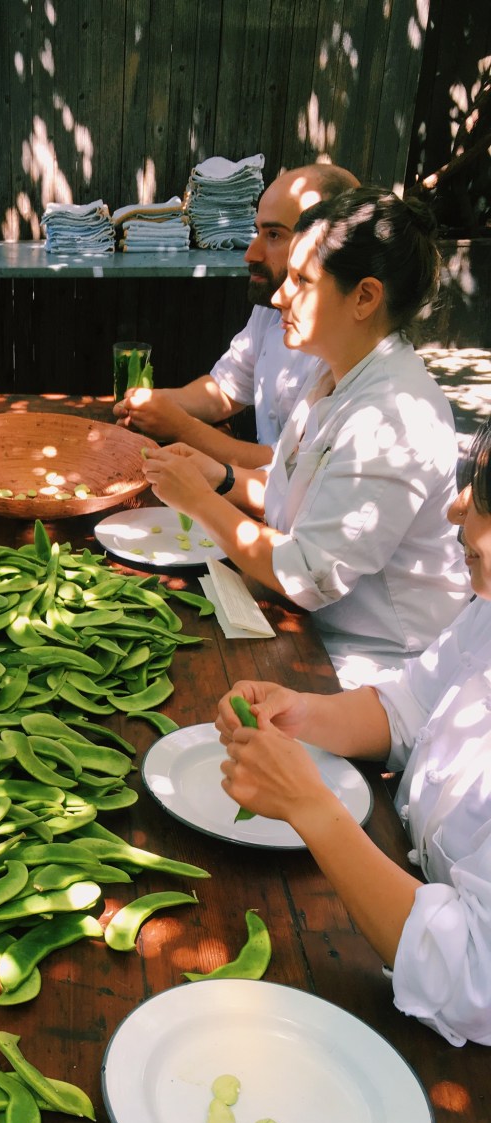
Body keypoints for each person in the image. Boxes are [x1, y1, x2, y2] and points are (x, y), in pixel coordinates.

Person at [215, 417, 491, 1047]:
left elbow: (470, 976)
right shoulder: (488, 610)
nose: (455, 507)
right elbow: (410, 707)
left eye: (482, 492)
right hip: (401, 884)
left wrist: (310, 807)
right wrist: (299, 712)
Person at [141, 187, 468, 686]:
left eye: (302, 280)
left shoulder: (394, 419)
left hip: (371, 667)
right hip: (306, 627)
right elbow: (303, 489)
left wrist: (200, 500)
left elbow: (309, 575)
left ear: (364, 297)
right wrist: (221, 477)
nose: (278, 296)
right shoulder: (336, 374)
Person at [114, 163, 359, 467]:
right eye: (257, 232)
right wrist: (154, 405)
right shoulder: (270, 309)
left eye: (274, 235)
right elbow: (224, 389)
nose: (250, 254)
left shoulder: (351, 348)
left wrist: (182, 428)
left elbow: (292, 471)